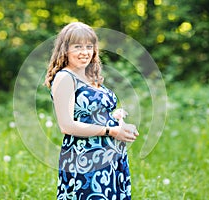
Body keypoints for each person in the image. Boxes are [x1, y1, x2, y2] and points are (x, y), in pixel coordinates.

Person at [44, 22, 139, 200]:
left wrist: (116, 119)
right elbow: (67, 125)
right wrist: (111, 130)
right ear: (65, 49)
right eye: (78, 46)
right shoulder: (65, 77)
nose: (85, 52)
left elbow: (91, 114)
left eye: (89, 46)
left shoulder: (89, 76)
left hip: (110, 157)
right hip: (86, 159)